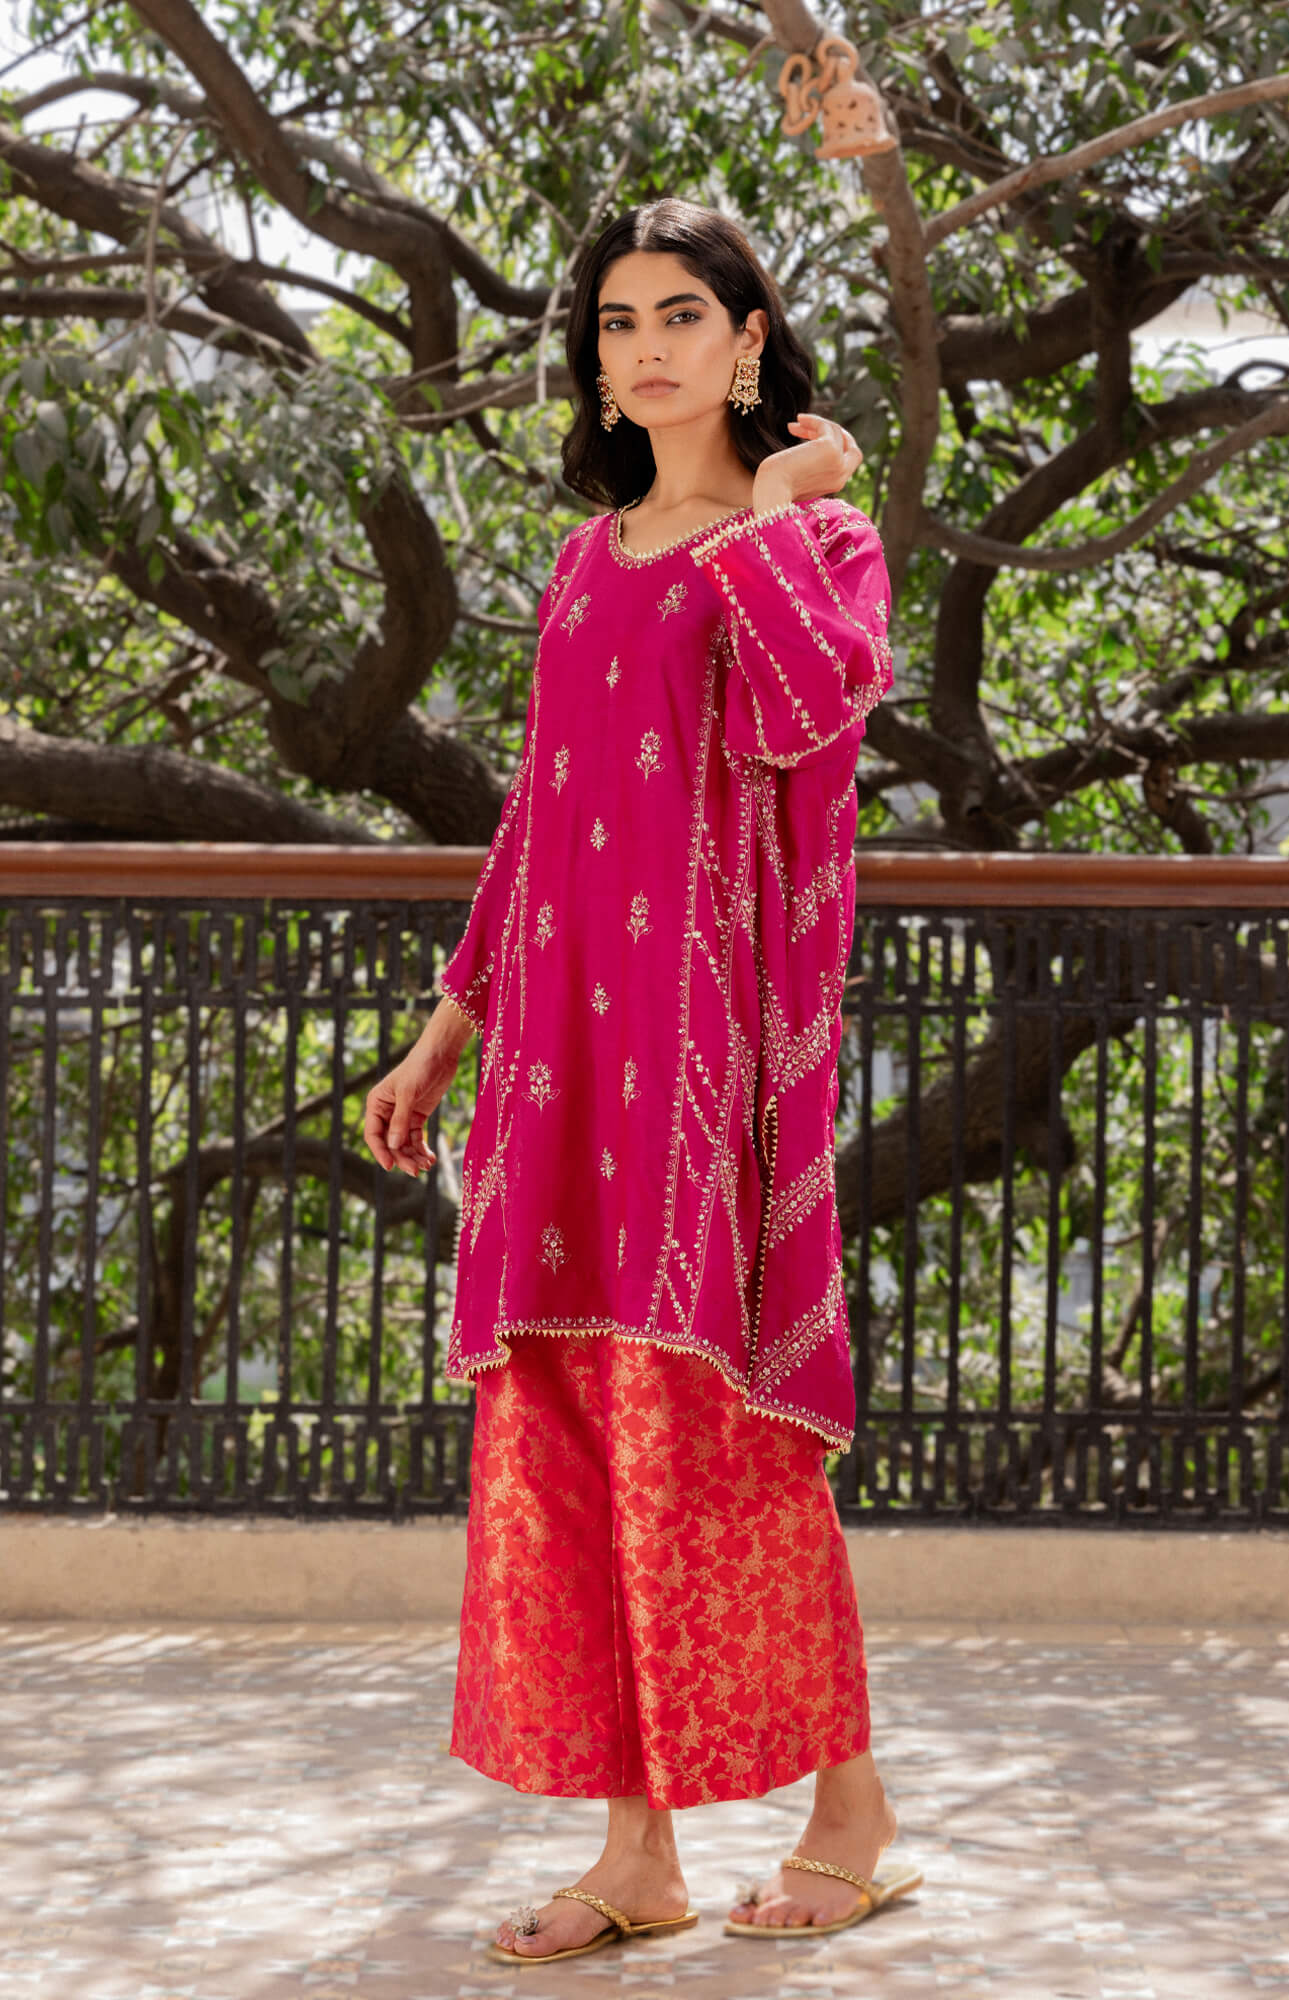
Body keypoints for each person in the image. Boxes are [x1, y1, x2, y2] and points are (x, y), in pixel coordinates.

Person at [363, 198, 921, 1966]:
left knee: (722, 1427)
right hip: (559, 1053)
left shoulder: (819, 537)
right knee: (572, 1424)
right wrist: (449, 1027)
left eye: (682, 314)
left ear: (749, 339)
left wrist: (776, 507)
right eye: (616, 323)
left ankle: (852, 1818)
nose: (646, 349)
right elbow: (541, 817)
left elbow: (814, 709)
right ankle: (640, 1853)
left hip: (704, 1050)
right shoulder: (586, 562)